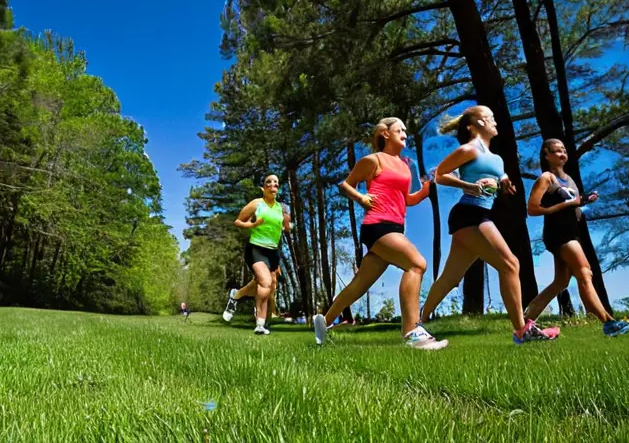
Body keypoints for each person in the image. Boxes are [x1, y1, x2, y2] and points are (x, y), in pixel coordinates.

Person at [419, 105, 557, 344]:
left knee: (451, 278)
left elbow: (497, 179)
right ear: (478, 123)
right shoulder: (469, 150)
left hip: (479, 214)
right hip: (468, 213)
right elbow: (439, 174)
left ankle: (417, 321)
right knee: (510, 264)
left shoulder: (497, 159)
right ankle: (522, 331)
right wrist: (469, 186)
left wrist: (505, 185)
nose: (495, 122)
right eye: (490, 118)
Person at [313, 117, 448, 350]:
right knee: (416, 264)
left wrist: (426, 190)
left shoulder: (405, 166)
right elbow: (345, 184)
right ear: (385, 134)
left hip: (395, 226)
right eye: (399, 129)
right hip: (377, 226)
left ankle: (323, 322)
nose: (405, 132)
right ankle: (411, 332)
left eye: (406, 129)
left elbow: (407, 200)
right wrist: (362, 198)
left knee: (359, 285)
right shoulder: (373, 160)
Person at [523, 139, 629, 336]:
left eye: (564, 150)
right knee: (584, 272)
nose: (562, 154)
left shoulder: (569, 180)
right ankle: (608, 322)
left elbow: (574, 206)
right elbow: (532, 209)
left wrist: (583, 202)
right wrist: (565, 206)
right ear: (546, 155)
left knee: (561, 282)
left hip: (572, 232)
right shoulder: (546, 179)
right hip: (558, 233)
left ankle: (525, 322)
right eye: (556, 151)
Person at [221, 174, 291, 335]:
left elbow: (286, 228)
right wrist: (252, 224)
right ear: (263, 188)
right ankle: (260, 324)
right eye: (269, 182)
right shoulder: (257, 204)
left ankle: (236, 295)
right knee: (265, 283)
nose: (273, 184)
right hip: (256, 248)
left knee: (270, 285)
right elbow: (238, 221)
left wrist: (286, 226)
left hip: (273, 251)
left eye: (276, 183)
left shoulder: (281, 208)